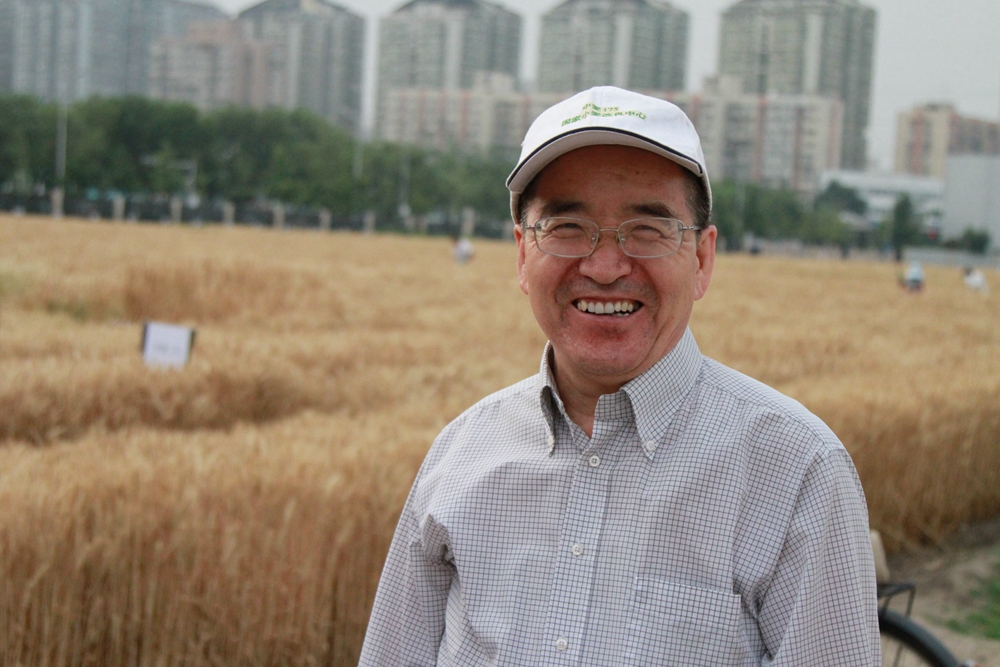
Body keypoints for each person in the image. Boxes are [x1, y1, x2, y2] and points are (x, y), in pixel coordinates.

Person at [359, 87, 879, 666]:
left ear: (702, 259)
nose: (605, 267)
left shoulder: (797, 473)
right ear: (522, 255)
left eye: (648, 230)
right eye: (567, 226)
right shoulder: (461, 455)